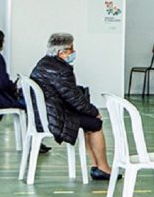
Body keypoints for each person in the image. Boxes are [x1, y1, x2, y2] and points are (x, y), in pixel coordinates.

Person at [30, 33, 115, 180]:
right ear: (61, 52)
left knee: (89, 122)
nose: (73, 52)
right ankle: (102, 167)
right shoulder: (62, 70)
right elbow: (73, 99)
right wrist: (94, 111)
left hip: (45, 114)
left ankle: (97, 166)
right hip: (55, 118)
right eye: (71, 49)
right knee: (96, 123)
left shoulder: (43, 63)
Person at [0, 29, 50, 153]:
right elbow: (1, 83)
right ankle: (34, 140)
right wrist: (13, 87)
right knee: (32, 103)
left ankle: (33, 140)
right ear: (1, 43)